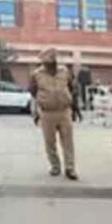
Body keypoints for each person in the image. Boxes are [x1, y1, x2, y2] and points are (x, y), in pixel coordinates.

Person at [29, 47, 79, 180]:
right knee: (50, 142)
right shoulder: (36, 74)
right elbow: (33, 92)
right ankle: (55, 166)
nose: (50, 64)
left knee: (68, 141)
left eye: (52, 61)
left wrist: (75, 108)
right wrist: (37, 110)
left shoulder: (65, 71)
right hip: (47, 113)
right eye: (47, 62)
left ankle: (70, 168)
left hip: (64, 111)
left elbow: (72, 89)